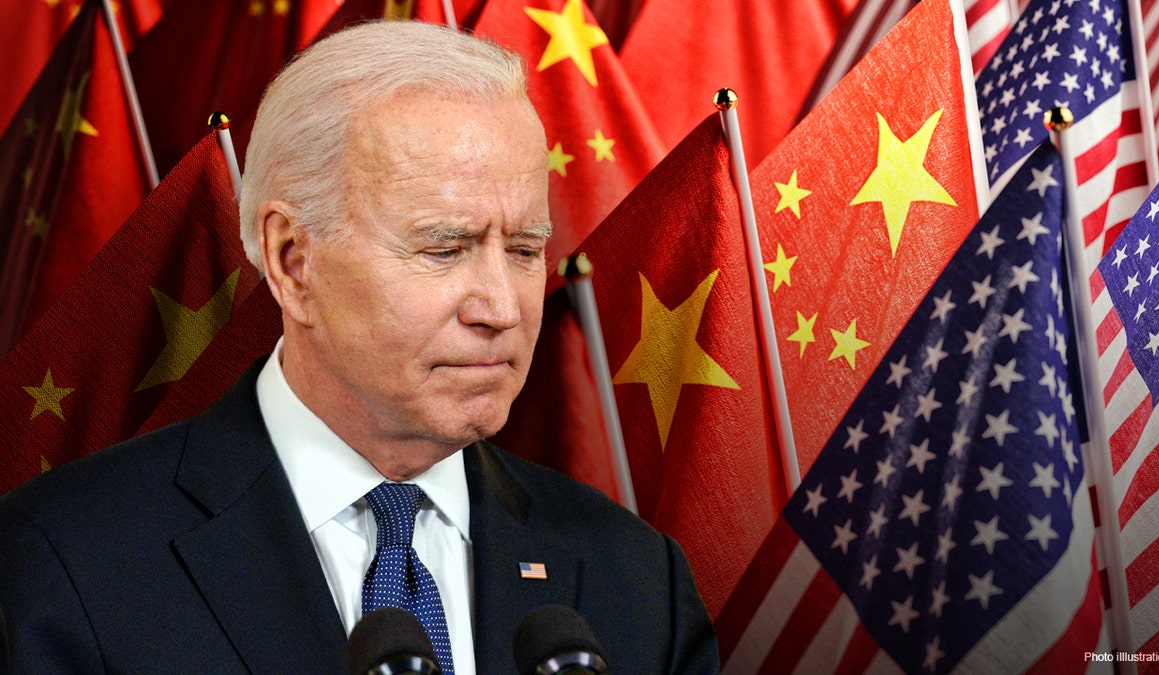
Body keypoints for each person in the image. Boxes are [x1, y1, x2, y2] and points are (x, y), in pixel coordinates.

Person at [0, 20, 718, 674]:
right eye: (445, 248)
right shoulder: (63, 564)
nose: (501, 308)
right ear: (291, 260)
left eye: (526, 250)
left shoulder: (637, 581)